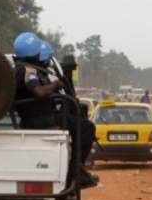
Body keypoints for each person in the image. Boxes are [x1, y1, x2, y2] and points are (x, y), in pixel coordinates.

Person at [12, 33, 97, 189]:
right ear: (34, 52)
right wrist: (55, 86)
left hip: (36, 117)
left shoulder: (21, 68)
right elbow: (38, 92)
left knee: (78, 123)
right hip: (39, 119)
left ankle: (77, 172)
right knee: (87, 128)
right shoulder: (27, 71)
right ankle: (75, 174)